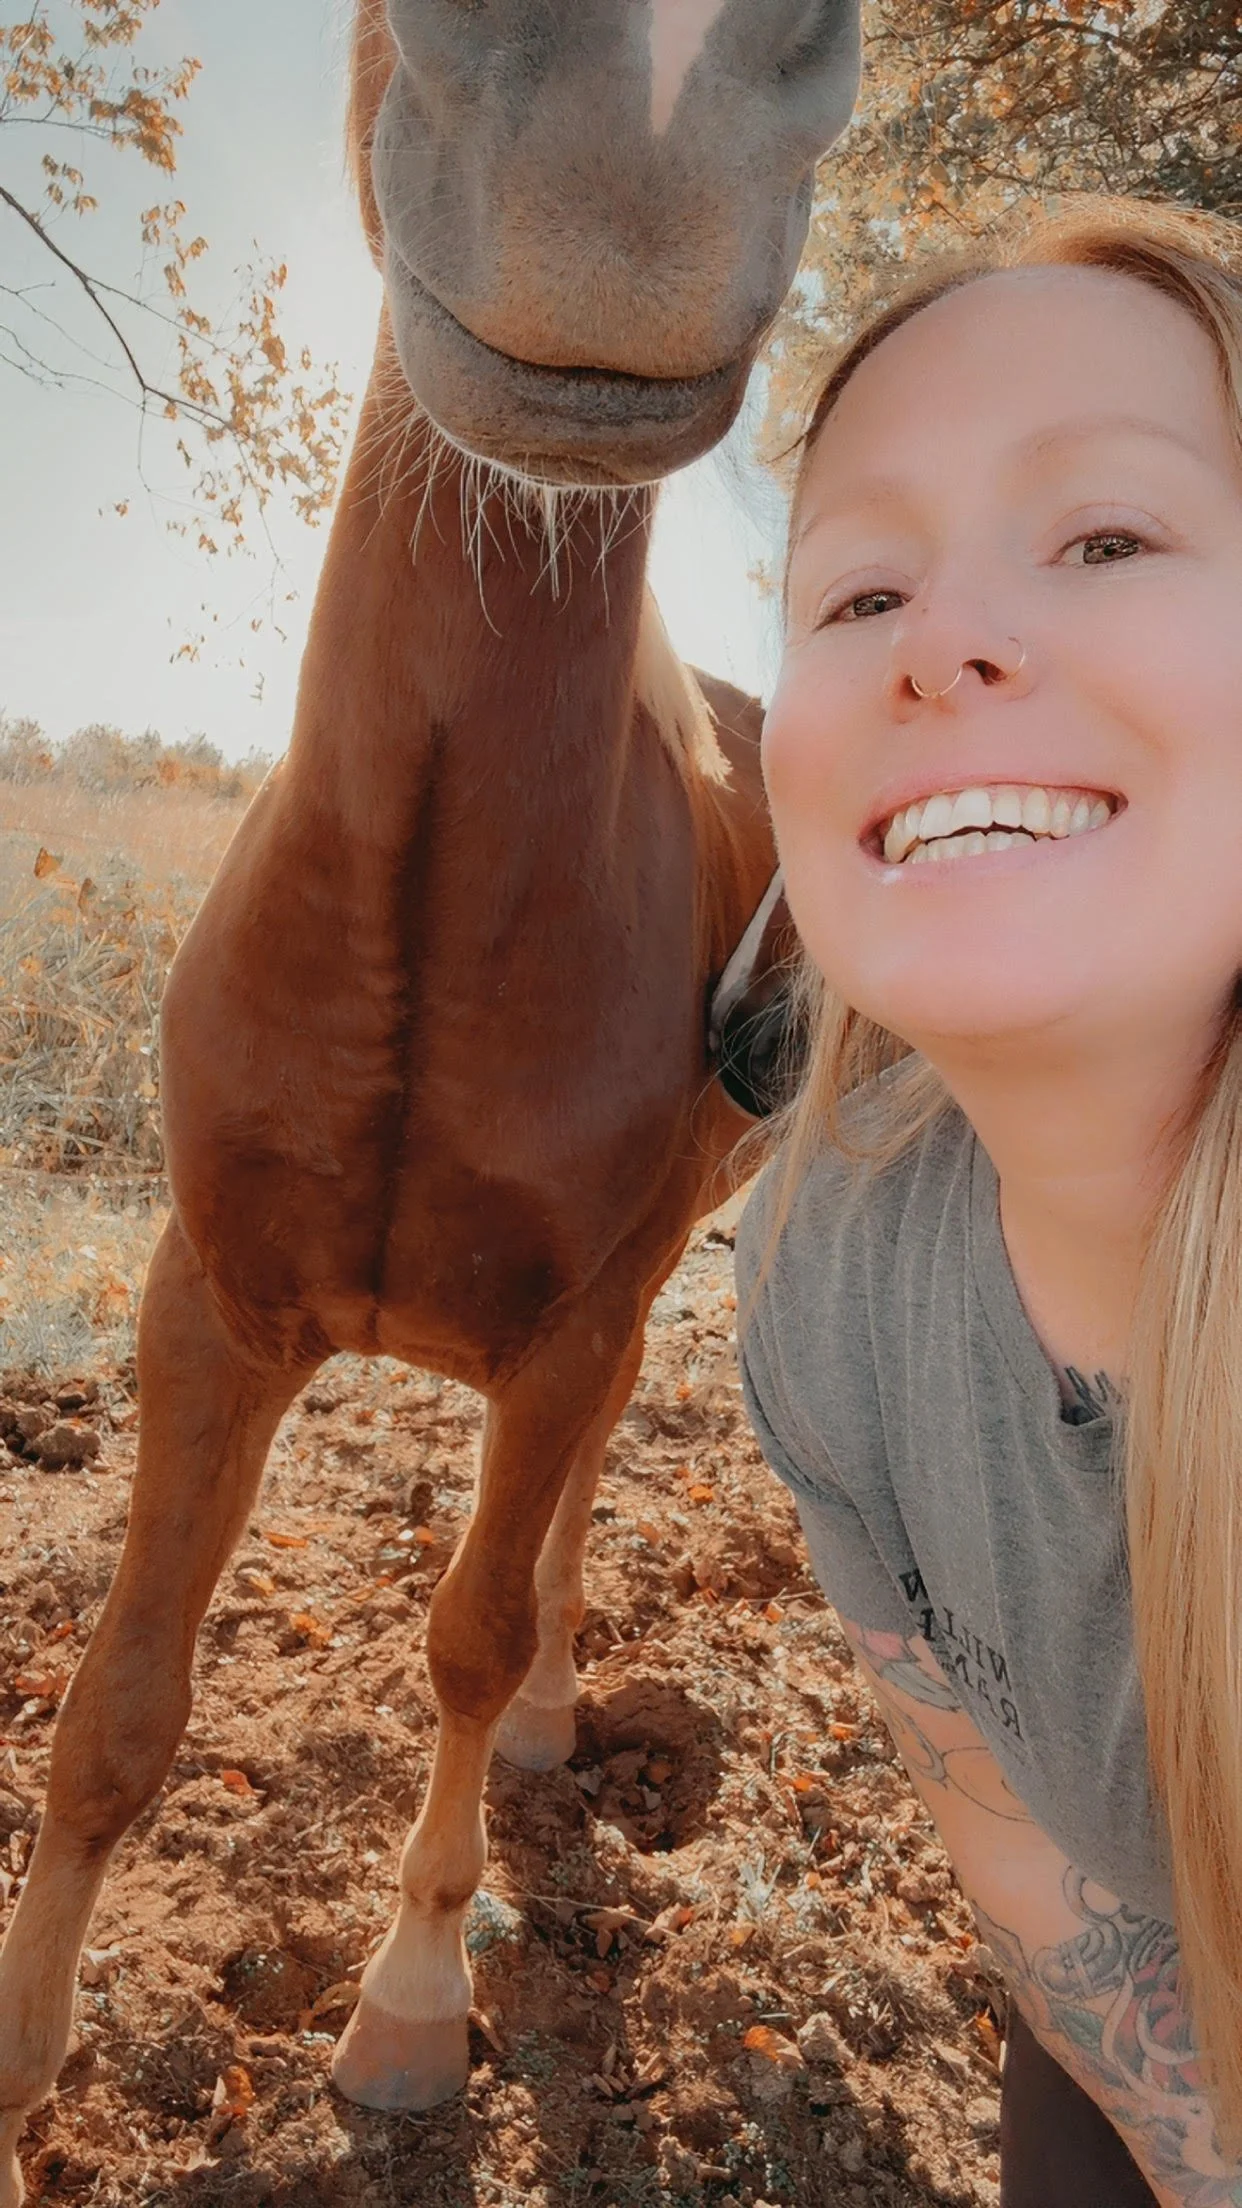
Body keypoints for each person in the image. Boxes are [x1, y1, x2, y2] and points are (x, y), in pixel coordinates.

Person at [735, 199, 1242, 2207]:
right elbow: (1016, 1844)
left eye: (1106, 537)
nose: (942, 641)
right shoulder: (824, 1277)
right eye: (857, 595)